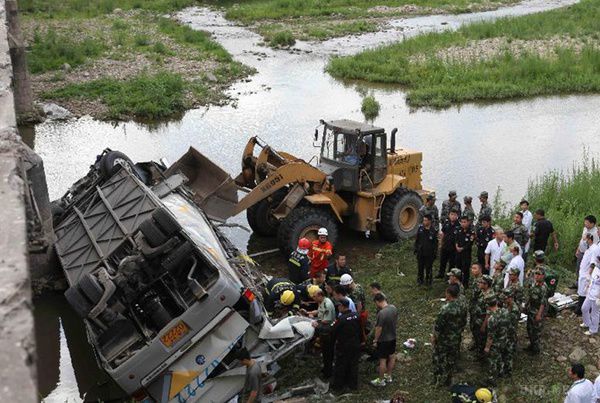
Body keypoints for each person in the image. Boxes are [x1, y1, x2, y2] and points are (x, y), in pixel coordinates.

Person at [432, 284, 463, 386]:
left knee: (439, 357)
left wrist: (434, 337)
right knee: (451, 358)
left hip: (444, 339)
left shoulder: (445, 309)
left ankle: (438, 378)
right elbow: (463, 322)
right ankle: (449, 378)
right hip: (456, 337)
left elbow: (438, 326)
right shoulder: (462, 306)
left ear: (449, 294)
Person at [331, 298, 361, 391]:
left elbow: (334, 333)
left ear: (342, 306)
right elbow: (360, 329)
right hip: (355, 344)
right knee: (353, 365)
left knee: (341, 365)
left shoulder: (341, 319)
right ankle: (353, 385)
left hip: (343, 346)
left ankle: (338, 386)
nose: (338, 308)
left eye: (338, 306)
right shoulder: (356, 315)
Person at [306, 289, 336, 378]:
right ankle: (327, 368)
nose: (313, 298)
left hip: (327, 330)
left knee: (328, 352)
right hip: (323, 329)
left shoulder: (327, 304)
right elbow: (319, 312)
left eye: (314, 297)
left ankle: (328, 372)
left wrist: (316, 323)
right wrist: (310, 313)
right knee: (324, 351)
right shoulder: (322, 302)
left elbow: (326, 320)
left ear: (320, 295)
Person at [371, 294, 398, 387]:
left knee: (383, 360)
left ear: (377, 302)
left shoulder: (381, 313)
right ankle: (389, 376)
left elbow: (379, 329)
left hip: (383, 340)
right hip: (393, 337)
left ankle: (381, 380)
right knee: (392, 356)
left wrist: (375, 340)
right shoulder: (393, 308)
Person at [484, 296, 512, 384]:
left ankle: (492, 379)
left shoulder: (492, 319)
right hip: (505, 339)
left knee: (492, 361)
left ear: (488, 306)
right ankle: (501, 372)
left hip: (496, 343)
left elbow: (490, 336)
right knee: (501, 357)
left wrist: (487, 347)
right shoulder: (505, 311)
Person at [525, 267, 548, 354]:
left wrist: (539, 315)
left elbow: (543, 302)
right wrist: (526, 305)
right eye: (536, 274)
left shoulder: (544, 287)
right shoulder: (534, 283)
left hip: (538, 311)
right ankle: (531, 345)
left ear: (543, 276)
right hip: (531, 309)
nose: (536, 276)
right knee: (529, 328)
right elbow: (530, 295)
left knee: (536, 331)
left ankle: (535, 349)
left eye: (539, 274)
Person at [473, 275, 495, 357]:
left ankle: (481, 354)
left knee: (482, 337)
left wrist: (484, 325)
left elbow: (489, 312)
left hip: (483, 320)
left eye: (481, 282)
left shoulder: (489, 295)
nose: (479, 284)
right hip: (478, 318)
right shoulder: (482, 292)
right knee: (478, 336)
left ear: (486, 284)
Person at [577, 234, 599, 315]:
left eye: (585, 239)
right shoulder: (588, 249)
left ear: (590, 239)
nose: (584, 241)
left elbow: (593, 263)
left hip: (586, 275)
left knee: (585, 293)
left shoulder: (594, 249)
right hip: (583, 273)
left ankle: (580, 310)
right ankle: (580, 309)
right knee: (581, 291)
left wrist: (589, 274)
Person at [415, 214, 438, 286]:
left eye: (425, 220)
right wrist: (416, 249)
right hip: (421, 252)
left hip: (429, 253)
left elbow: (435, 244)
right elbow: (417, 240)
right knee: (420, 267)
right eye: (423, 220)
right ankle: (420, 280)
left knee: (429, 268)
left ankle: (428, 281)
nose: (424, 222)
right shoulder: (420, 229)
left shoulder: (433, 231)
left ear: (429, 221)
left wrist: (435, 253)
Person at [438, 210, 460, 278]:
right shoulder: (446, 223)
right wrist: (440, 243)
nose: (453, 216)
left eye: (454, 215)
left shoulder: (459, 225)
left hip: (453, 247)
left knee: (452, 263)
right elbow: (443, 234)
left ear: (457, 216)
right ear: (449, 215)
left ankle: (449, 276)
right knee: (443, 261)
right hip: (445, 246)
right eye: (451, 214)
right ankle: (441, 274)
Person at [582, 257, 600, 335]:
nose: (597, 261)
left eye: (598, 260)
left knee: (594, 313)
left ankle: (593, 329)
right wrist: (587, 286)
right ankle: (587, 323)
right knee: (584, 308)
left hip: (597, 295)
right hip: (590, 292)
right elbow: (592, 279)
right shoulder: (596, 268)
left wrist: (599, 297)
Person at [455, 216, 475, 286]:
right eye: (462, 222)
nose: (463, 224)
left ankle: (465, 284)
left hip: (466, 254)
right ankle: (457, 283)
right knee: (458, 268)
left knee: (465, 269)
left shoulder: (471, 232)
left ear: (468, 222)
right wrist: (457, 246)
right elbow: (456, 239)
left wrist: (462, 248)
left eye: (464, 222)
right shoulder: (459, 230)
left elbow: (470, 243)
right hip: (458, 253)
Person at [502, 288, 520, 363]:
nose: (503, 300)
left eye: (505, 298)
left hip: (510, 331)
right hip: (505, 330)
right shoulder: (506, 304)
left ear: (510, 298)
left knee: (510, 345)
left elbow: (510, 323)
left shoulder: (514, 310)